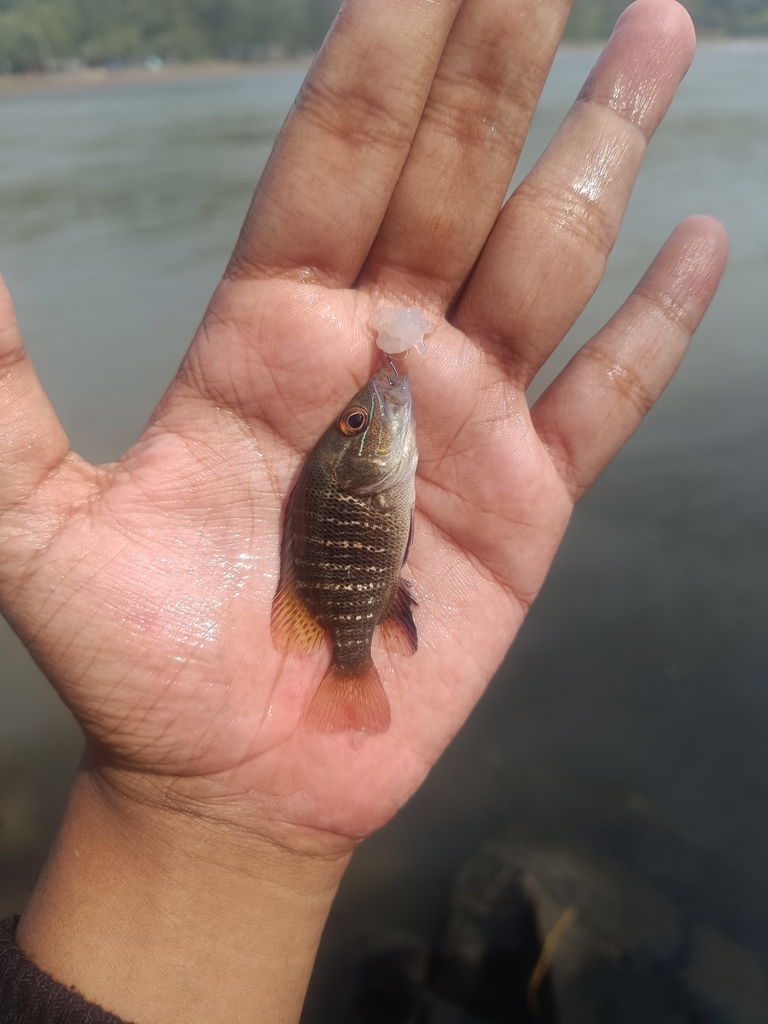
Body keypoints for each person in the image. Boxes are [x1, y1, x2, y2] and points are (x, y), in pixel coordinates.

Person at [0, 0, 727, 1020]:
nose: (367, 419)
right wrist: (194, 816)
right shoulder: (373, 465)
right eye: (355, 427)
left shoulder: (378, 459)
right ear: (359, 457)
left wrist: (188, 826)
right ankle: (347, 672)